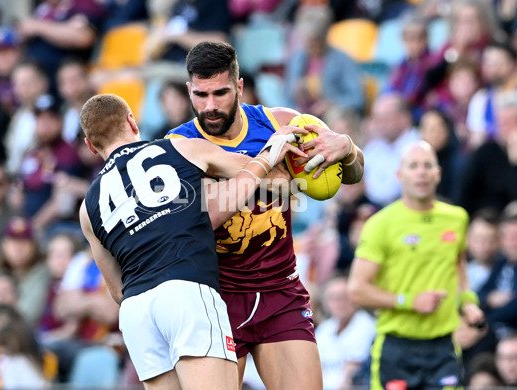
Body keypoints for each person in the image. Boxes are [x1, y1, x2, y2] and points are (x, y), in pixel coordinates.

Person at [166, 41, 365, 389]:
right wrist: (261, 167)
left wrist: (346, 148)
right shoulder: (177, 146)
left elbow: (353, 174)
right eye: (201, 95)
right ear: (189, 90)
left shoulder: (281, 122)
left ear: (240, 86)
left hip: (280, 291)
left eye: (221, 93)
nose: (210, 106)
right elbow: (202, 219)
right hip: (217, 299)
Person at [78, 93, 305, 389]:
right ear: (132, 122)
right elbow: (275, 184)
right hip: (186, 290)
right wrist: (271, 155)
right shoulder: (180, 148)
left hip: (136, 312)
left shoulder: (87, 207)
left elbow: (117, 290)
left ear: (90, 145)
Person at [348, 141, 485, 390]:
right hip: (396, 348)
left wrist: (467, 302)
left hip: (443, 346)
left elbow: (457, 266)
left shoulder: (457, 218)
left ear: (438, 174)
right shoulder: (381, 224)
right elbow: (357, 289)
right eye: (413, 166)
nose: (421, 172)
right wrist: (410, 301)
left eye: (427, 165)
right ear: (399, 175)